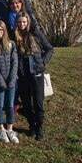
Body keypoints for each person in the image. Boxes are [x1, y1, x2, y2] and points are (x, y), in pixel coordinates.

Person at [14, 12, 53, 141]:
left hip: (36, 73)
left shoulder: (36, 34)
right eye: (19, 22)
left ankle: (39, 126)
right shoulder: (15, 36)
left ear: (28, 22)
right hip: (23, 74)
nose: (22, 24)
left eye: (24, 22)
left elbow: (50, 49)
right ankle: (31, 125)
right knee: (26, 102)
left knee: (38, 102)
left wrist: (42, 62)